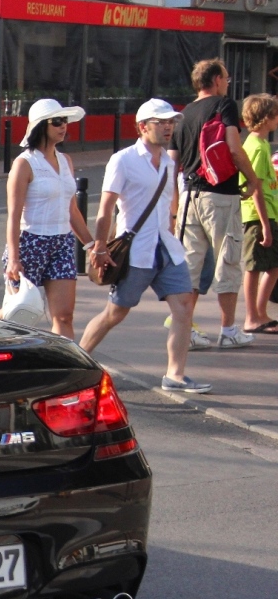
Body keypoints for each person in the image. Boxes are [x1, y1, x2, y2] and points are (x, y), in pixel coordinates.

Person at [80, 99, 209, 394]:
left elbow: (169, 202)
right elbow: (106, 208)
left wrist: (174, 224)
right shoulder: (123, 160)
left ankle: (175, 375)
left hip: (165, 245)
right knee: (116, 313)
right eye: (161, 122)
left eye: (171, 122)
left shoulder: (167, 160)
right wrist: (99, 246)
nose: (168, 127)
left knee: (184, 305)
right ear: (142, 127)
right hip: (135, 249)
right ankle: (78, 359)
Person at [168, 58, 270, 350]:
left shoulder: (183, 114)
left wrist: (174, 208)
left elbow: (172, 164)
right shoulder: (224, 106)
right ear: (215, 80)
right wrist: (253, 180)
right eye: (225, 77)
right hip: (221, 196)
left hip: (190, 196)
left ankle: (185, 330)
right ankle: (228, 329)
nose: (227, 82)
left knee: (190, 266)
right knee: (228, 260)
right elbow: (235, 149)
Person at [3, 98, 93, 339]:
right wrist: (14, 258)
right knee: (19, 315)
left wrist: (91, 245)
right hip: (30, 243)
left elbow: (72, 209)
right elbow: (13, 215)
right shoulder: (25, 163)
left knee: (64, 316)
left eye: (65, 121)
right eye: (57, 121)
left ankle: (68, 370)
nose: (63, 126)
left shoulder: (66, 161)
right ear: (41, 125)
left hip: (62, 243)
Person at [238, 93, 278, 334]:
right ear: (266, 119)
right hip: (258, 215)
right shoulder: (257, 147)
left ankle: (260, 312)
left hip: (267, 214)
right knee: (254, 266)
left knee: (272, 264)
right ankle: (252, 316)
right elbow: (256, 188)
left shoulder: (261, 144)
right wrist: (264, 223)